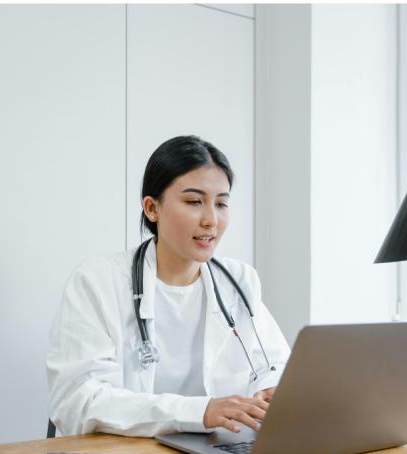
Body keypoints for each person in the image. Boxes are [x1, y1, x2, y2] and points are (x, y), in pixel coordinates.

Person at [46, 135, 290, 437]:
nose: (211, 220)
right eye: (194, 202)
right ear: (152, 208)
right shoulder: (98, 282)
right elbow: (78, 402)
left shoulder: (239, 281)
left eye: (221, 203)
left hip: (214, 450)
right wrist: (198, 412)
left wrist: (271, 389)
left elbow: (274, 365)